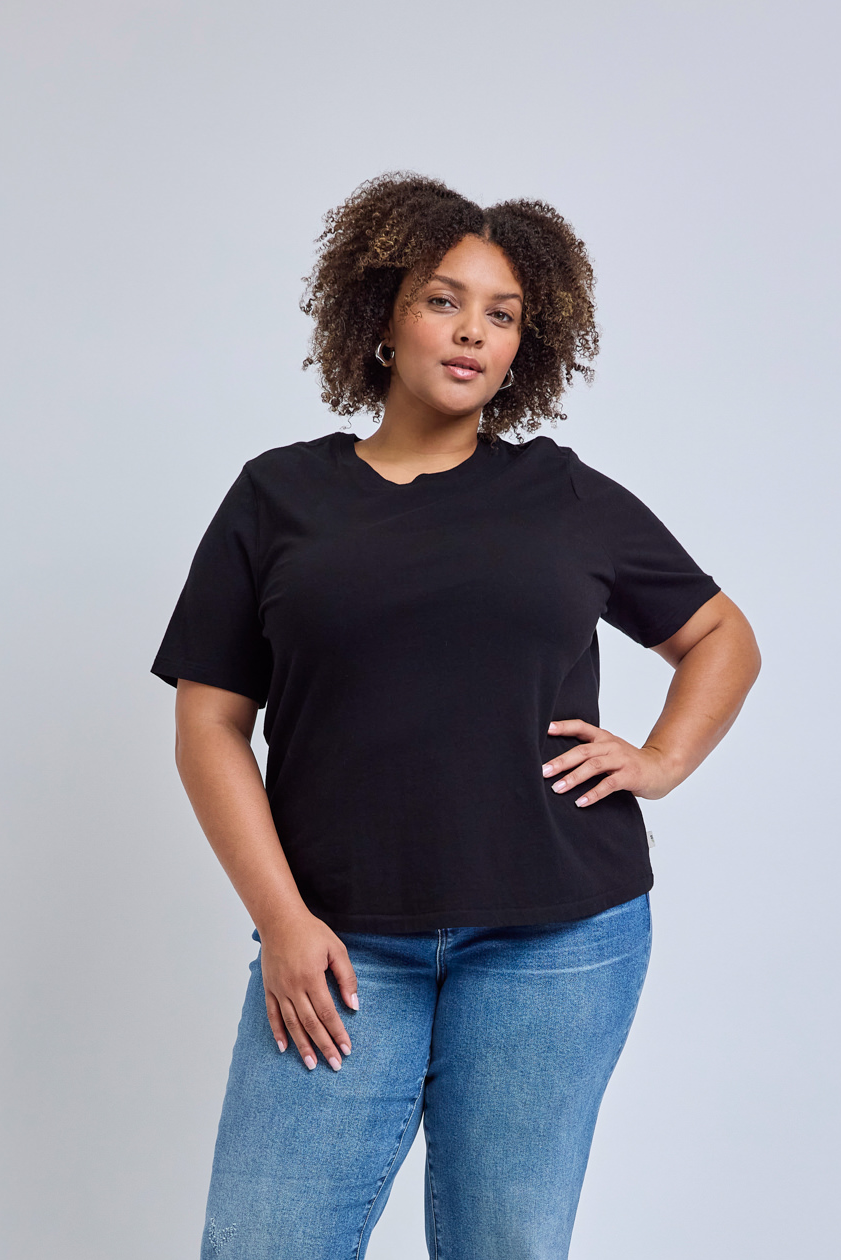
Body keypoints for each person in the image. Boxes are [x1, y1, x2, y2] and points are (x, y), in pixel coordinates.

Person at [151, 172, 761, 1260]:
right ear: (382, 313)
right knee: (260, 1242)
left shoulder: (563, 496)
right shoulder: (277, 497)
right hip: (340, 945)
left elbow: (720, 634)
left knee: (505, 1246)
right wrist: (283, 922)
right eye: (444, 299)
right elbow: (209, 725)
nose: (473, 331)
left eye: (503, 313)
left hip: (560, 940)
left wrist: (662, 759)